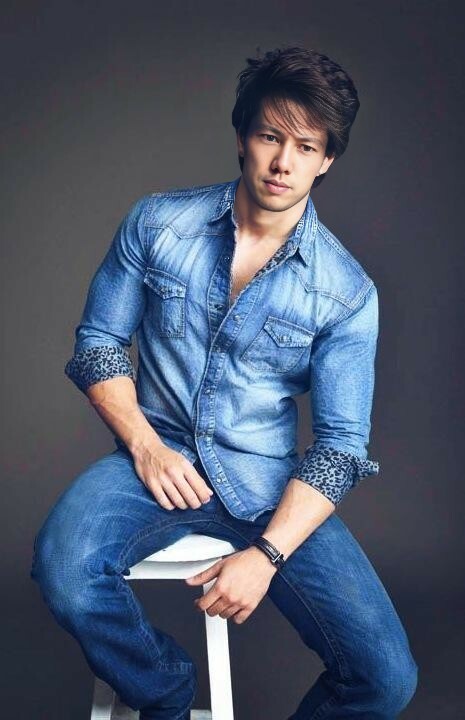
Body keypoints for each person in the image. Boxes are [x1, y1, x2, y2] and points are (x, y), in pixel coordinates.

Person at [30, 45, 418, 719]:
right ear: (242, 136)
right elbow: (98, 343)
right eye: (270, 137)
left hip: (271, 487)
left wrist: (266, 555)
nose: (282, 162)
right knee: (64, 569)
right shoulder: (157, 224)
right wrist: (146, 447)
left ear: (326, 159)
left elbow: (339, 448)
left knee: (385, 679)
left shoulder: (347, 292)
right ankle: (167, 696)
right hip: (155, 462)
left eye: (305, 146)